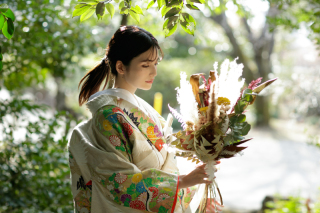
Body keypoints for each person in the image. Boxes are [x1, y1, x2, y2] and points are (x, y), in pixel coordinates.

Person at [68, 25, 223, 213]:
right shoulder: (108, 115)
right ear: (120, 67)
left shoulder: (142, 109)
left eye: (156, 64)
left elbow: (167, 159)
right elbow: (117, 180)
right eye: (145, 65)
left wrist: (202, 161)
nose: (154, 72)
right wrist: (182, 181)